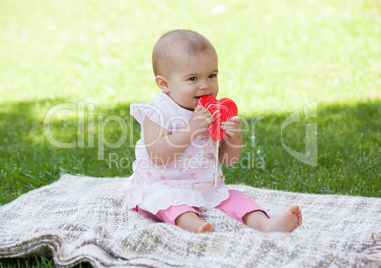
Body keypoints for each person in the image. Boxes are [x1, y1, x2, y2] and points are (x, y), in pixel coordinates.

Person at [121, 29, 302, 233]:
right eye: (192, 79)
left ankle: (265, 224)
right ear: (164, 84)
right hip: (162, 186)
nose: (205, 86)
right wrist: (191, 129)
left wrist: (234, 138)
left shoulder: (213, 112)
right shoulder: (158, 112)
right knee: (171, 204)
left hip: (205, 186)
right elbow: (158, 155)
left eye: (212, 75)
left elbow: (226, 160)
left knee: (236, 198)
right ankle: (197, 227)